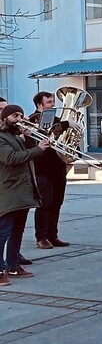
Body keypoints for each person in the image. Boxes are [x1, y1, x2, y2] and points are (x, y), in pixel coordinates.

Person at [0, 104, 49, 285]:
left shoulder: (15, 137)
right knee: (3, 232)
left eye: (20, 115)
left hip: (23, 190)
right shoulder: (1, 137)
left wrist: (31, 141)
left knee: (17, 231)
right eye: (14, 116)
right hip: (9, 191)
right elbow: (11, 159)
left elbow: (27, 157)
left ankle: (13, 265)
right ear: (5, 118)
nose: (19, 119)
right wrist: (38, 149)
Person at [29, 91, 71, 249]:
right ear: (40, 105)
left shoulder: (57, 120)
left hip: (58, 168)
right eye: (48, 102)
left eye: (52, 101)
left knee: (57, 203)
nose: (52, 104)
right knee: (44, 204)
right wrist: (67, 124)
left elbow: (64, 140)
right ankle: (41, 237)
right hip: (42, 169)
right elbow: (47, 134)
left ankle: (53, 236)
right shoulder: (33, 119)